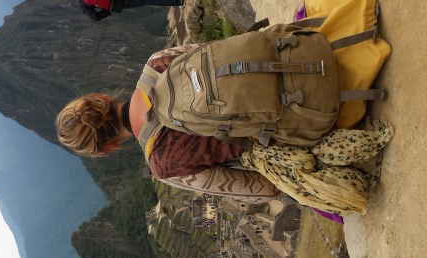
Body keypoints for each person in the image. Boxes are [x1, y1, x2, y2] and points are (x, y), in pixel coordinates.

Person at [56, 40, 393, 216]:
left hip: (309, 123)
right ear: (100, 97)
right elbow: (235, 50)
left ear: (108, 148)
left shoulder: (162, 165)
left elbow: (258, 189)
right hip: (305, 58)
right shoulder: (157, 62)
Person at [78, 0, 185, 22]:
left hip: (118, 4)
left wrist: (105, 11)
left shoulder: (83, 4)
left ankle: (177, 2)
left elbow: (95, 17)